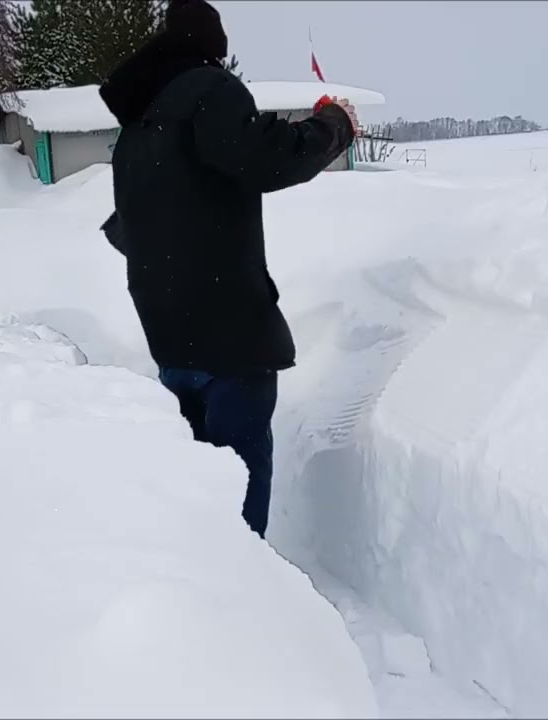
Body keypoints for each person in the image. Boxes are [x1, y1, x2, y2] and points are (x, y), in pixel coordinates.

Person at [98, 0, 358, 538]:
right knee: (239, 481)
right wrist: (334, 124)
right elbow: (268, 156)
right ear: (213, 48)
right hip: (230, 341)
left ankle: (202, 578)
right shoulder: (211, 91)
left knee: (200, 486)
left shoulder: (138, 125)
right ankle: (244, 585)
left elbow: (131, 228)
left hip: (169, 338)